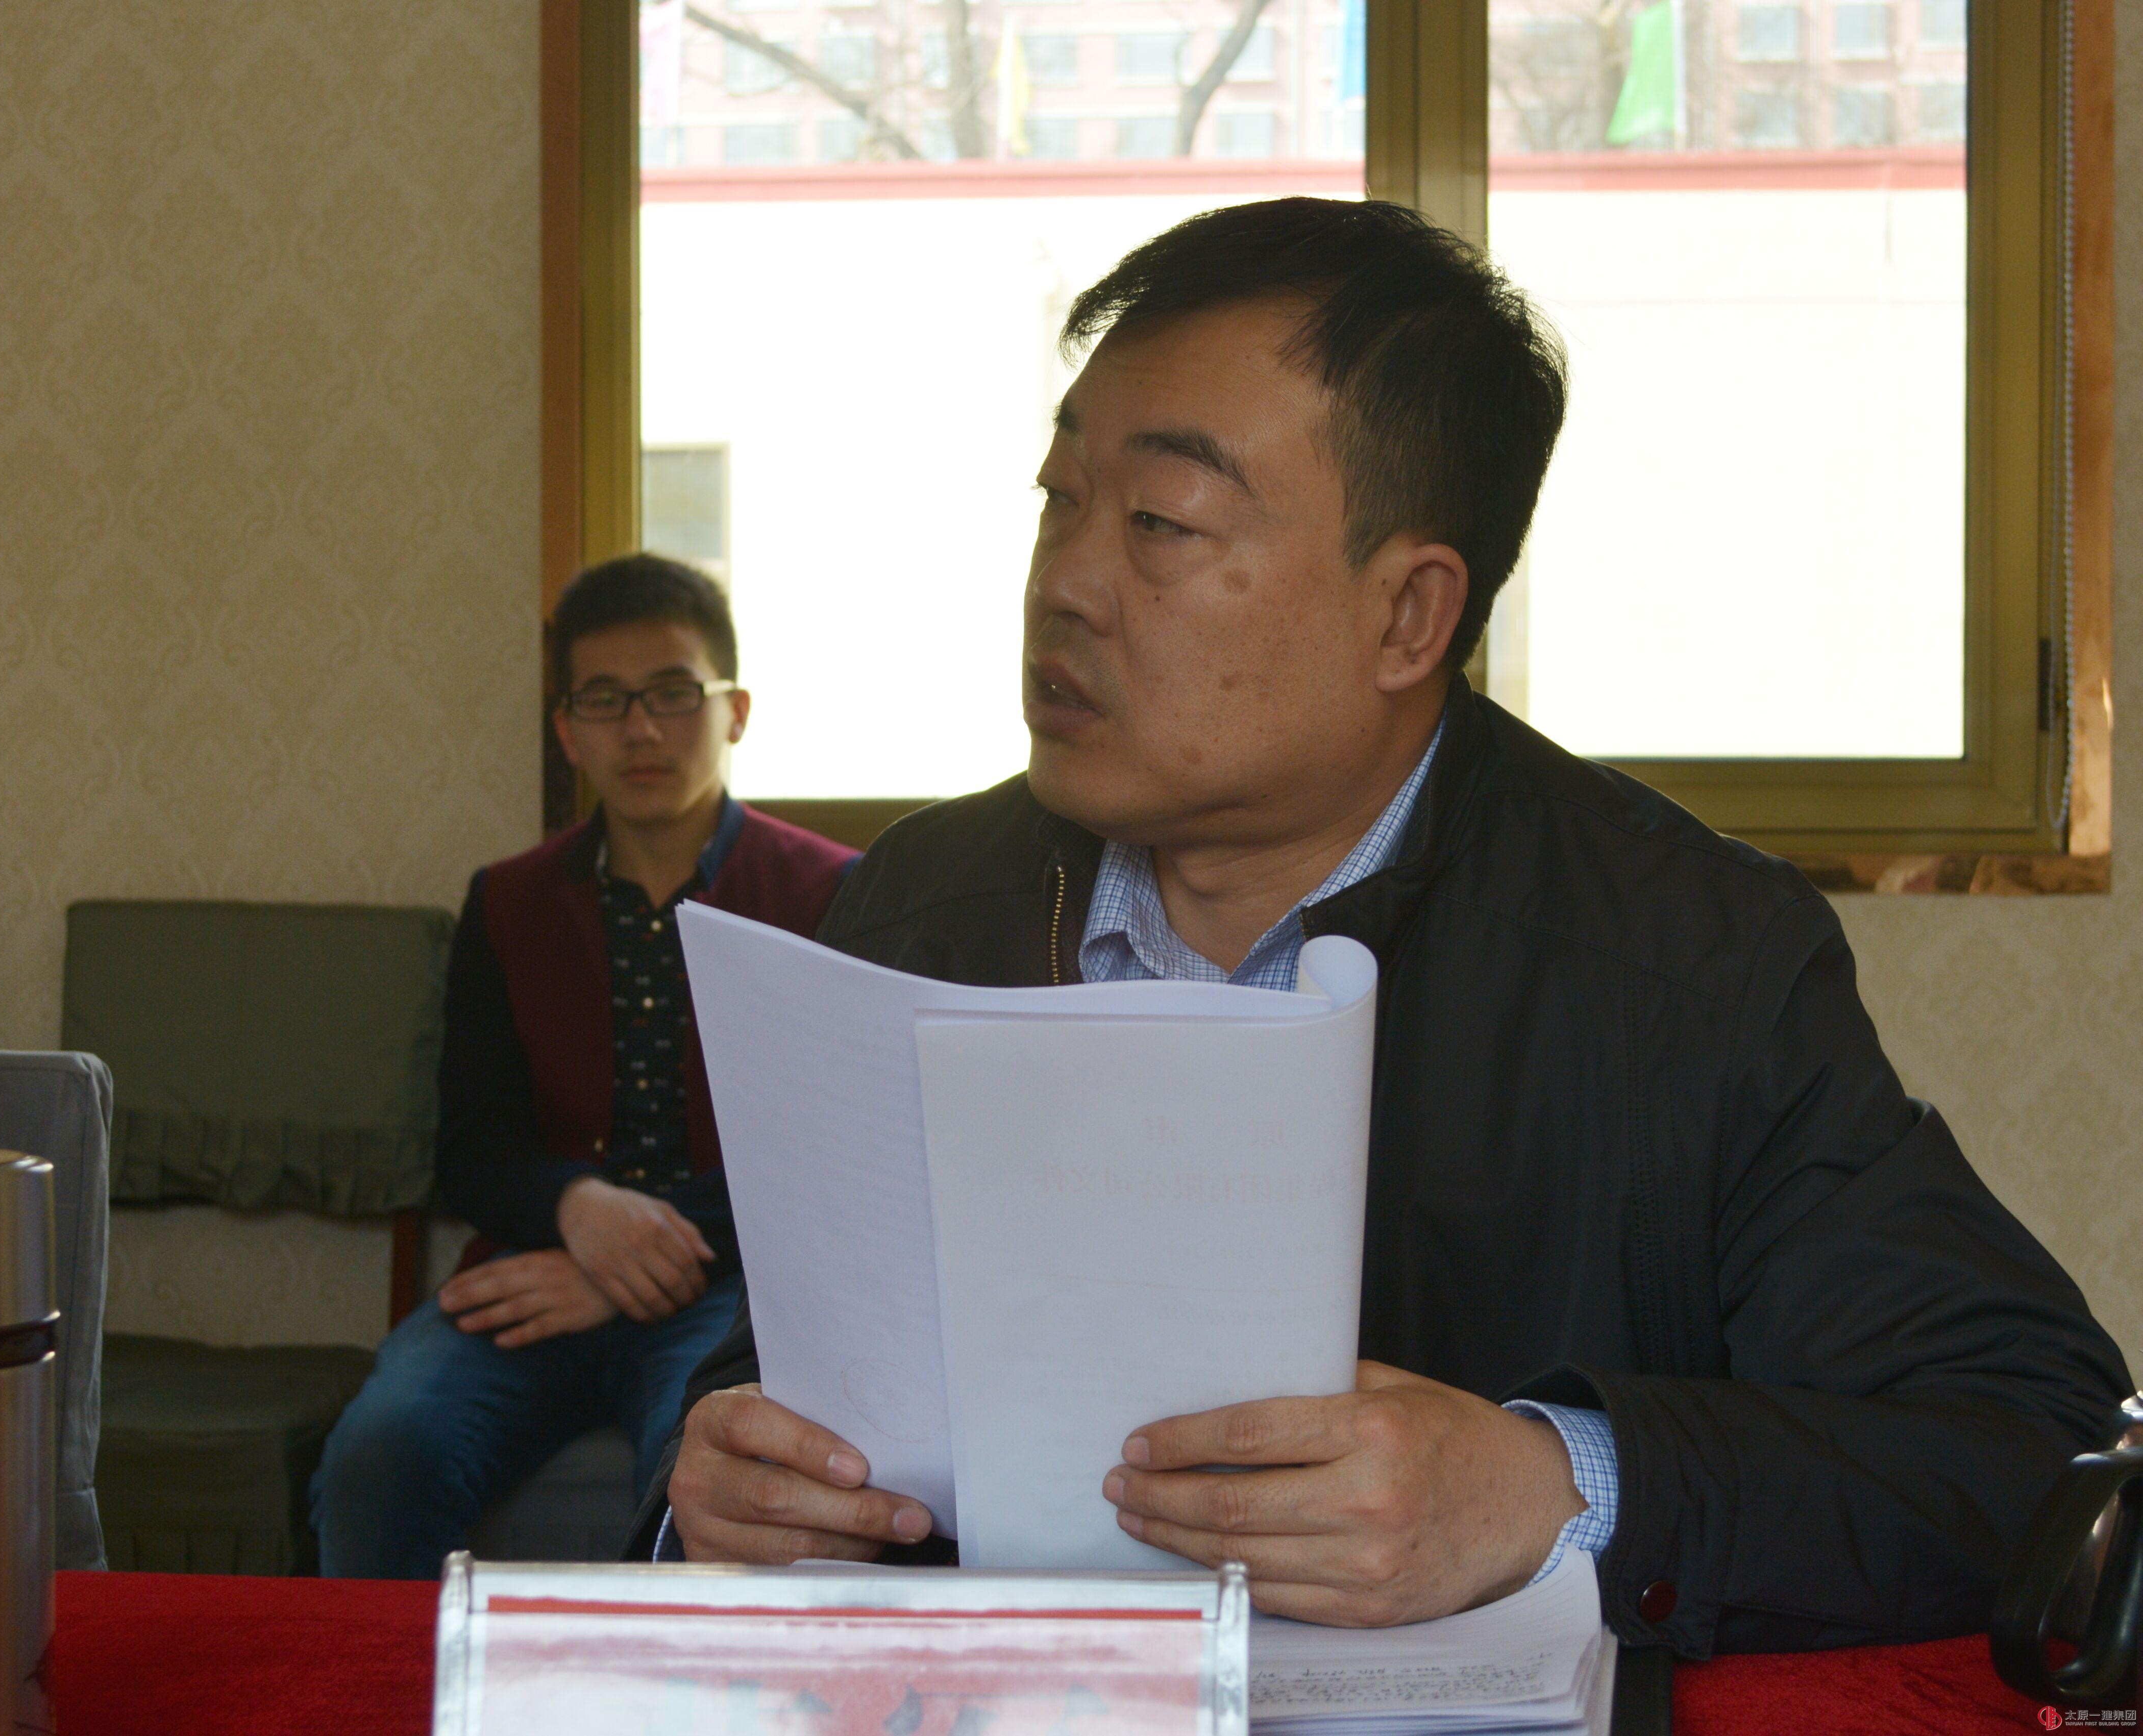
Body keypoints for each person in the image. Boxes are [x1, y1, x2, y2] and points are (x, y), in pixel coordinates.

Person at [625, 200, 2133, 1655]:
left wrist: (1552, 1486)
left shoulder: (1690, 958)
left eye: (1161, 521)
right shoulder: (918, 907)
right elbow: (787, 1379)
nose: (1066, 583)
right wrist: (727, 1490)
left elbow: (2032, 1444)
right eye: (1060, 500)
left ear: (1409, 616)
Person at [312, 554, 856, 1578]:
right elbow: (472, 1145)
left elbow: (843, 1156)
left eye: (672, 694)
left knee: (705, 1480)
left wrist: (629, 1262)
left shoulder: (833, 894)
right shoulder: (507, 900)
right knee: (381, 1452)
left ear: (735, 711)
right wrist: (579, 1210)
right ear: (568, 729)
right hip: (536, 1268)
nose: (640, 729)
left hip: (738, 1292)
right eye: (605, 700)